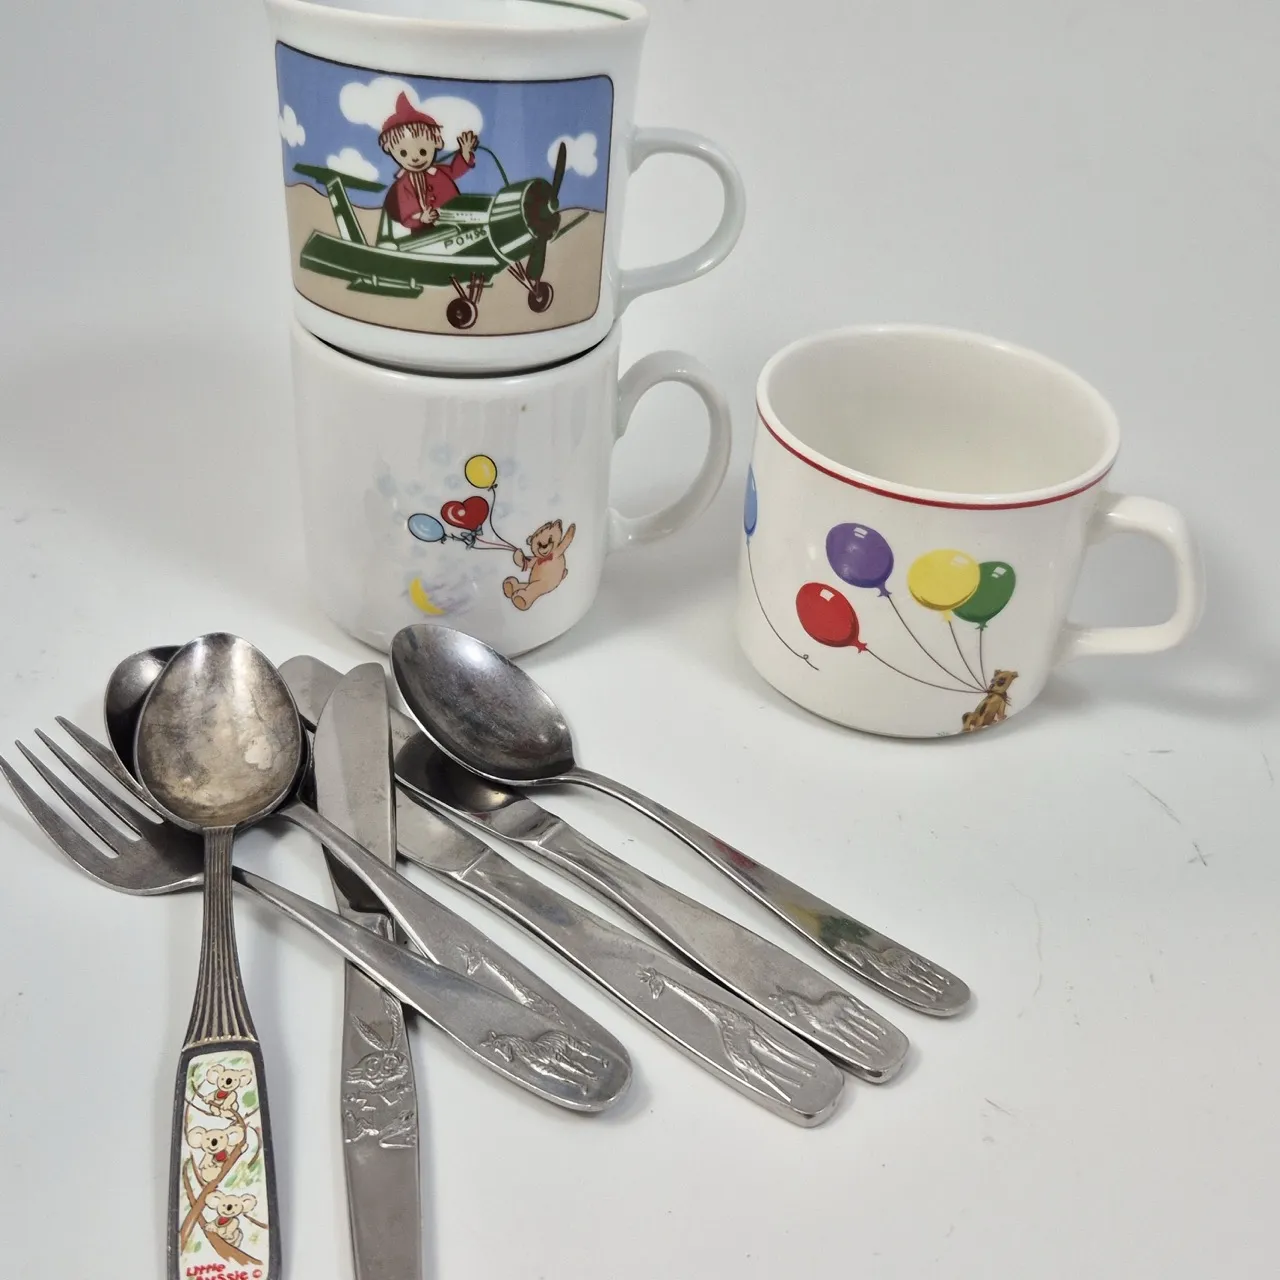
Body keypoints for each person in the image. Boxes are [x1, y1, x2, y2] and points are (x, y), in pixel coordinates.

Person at [377, 92, 478, 232]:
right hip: (423, 230)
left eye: (423, 151)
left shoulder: (438, 172)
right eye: (403, 153)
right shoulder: (404, 185)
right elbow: (406, 211)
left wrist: (465, 152)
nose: (414, 158)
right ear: (390, 149)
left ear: (437, 142)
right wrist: (421, 218)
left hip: (454, 220)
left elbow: (455, 171)